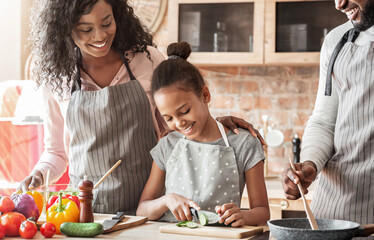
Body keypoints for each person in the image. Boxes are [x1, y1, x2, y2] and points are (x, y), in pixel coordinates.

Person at [18, 0, 264, 215]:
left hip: (149, 209)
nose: (100, 36)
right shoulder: (57, 78)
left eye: (107, 23)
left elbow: (175, 127)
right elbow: (57, 152)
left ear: (117, 15)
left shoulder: (146, 59)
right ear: (65, 29)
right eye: (86, 29)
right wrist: (38, 175)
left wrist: (218, 123)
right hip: (89, 213)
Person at [136, 42, 270, 226]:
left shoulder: (244, 144)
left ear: (205, 95)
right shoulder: (168, 145)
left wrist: (243, 216)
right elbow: (142, 209)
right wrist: (167, 200)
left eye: (184, 111)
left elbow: (262, 211)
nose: (179, 122)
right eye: (169, 118)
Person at [282, 0, 374, 226]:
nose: (340, 4)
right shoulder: (336, 40)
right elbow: (324, 121)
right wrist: (310, 164)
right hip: (336, 209)